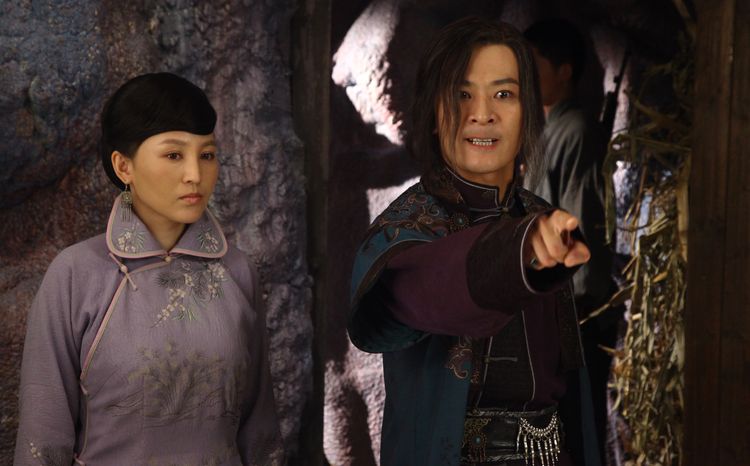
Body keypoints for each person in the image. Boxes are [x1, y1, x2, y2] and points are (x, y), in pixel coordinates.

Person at [348, 17, 601, 466]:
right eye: (462, 95)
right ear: (433, 114)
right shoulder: (405, 227)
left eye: (503, 94)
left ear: (528, 112)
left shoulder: (541, 215)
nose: (482, 113)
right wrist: (519, 252)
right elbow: (416, 293)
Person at [14, 73, 282, 465]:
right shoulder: (75, 275)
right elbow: (43, 440)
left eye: (207, 155)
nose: (195, 174)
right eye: (174, 155)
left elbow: (261, 432)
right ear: (124, 166)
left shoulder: (237, 271)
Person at [524, 19, 617, 462]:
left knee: (577, 437)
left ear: (564, 71)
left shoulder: (575, 131)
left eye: (534, 65)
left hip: (574, 318)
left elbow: (583, 228)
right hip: (548, 315)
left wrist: (578, 313)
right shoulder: (545, 132)